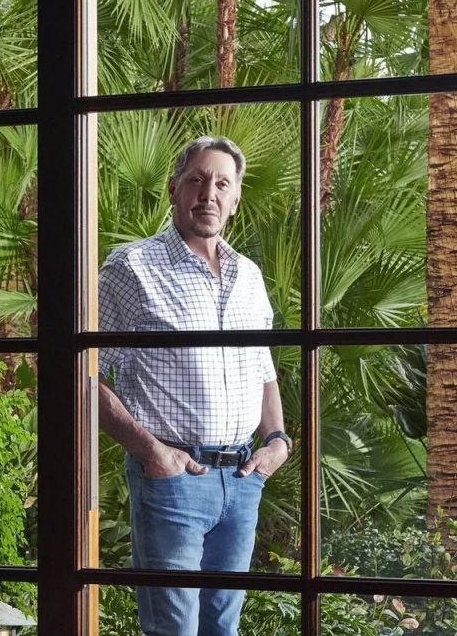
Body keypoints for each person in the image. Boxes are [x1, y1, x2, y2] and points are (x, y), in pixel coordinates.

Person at [98, 136, 291, 636]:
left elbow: (262, 368)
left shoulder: (249, 275)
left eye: (222, 184)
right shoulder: (130, 268)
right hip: (172, 480)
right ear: (173, 189)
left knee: (223, 629)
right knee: (174, 631)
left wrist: (277, 442)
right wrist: (153, 453)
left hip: (243, 479)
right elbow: (83, 377)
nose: (209, 194)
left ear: (236, 198)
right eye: (197, 180)